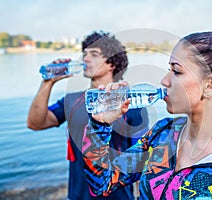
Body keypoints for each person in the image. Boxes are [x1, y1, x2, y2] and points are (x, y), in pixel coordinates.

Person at [81, 31, 212, 199]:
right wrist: (100, 125)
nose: (164, 81)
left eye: (176, 71)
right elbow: (101, 184)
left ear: (211, 86)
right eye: (168, 70)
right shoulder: (162, 134)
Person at [27, 31, 149, 200]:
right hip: (78, 195)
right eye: (84, 54)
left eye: (94, 54)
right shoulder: (72, 100)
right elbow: (35, 123)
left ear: (111, 63)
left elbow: (140, 159)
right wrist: (47, 83)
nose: (85, 59)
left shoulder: (132, 105)